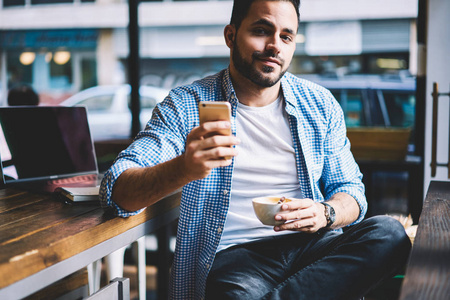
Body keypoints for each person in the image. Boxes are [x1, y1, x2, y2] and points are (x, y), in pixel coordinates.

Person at [100, 0, 411, 299]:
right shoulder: (185, 106)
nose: (275, 45)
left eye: (286, 36)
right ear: (231, 36)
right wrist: (184, 167)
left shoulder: (320, 105)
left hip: (313, 247)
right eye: (262, 31)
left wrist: (324, 212)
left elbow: (352, 192)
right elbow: (116, 191)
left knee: (390, 234)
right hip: (235, 258)